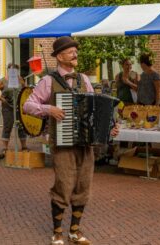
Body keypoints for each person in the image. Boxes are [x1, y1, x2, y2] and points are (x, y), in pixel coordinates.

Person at [23, 36, 119, 245]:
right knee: (63, 186)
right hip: (63, 144)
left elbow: (95, 109)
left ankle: (74, 232)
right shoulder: (48, 81)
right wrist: (49, 109)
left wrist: (108, 128)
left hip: (85, 144)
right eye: (70, 51)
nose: (75, 53)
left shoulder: (84, 79)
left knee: (84, 187)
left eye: (76, 50)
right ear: (59, 56)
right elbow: (27, 106)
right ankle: (57, 233)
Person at [0, 63, 27, 153]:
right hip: (8, 107)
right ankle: (5, 147)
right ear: (8, 70)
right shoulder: (3, 81)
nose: (13, 72)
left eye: (15, 70)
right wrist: (1, 99)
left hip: (19, 107)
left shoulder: (20, 79)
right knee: (7, 126)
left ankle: (24, 146)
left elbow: (25, 90)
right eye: (11, 70)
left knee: (21, 126)